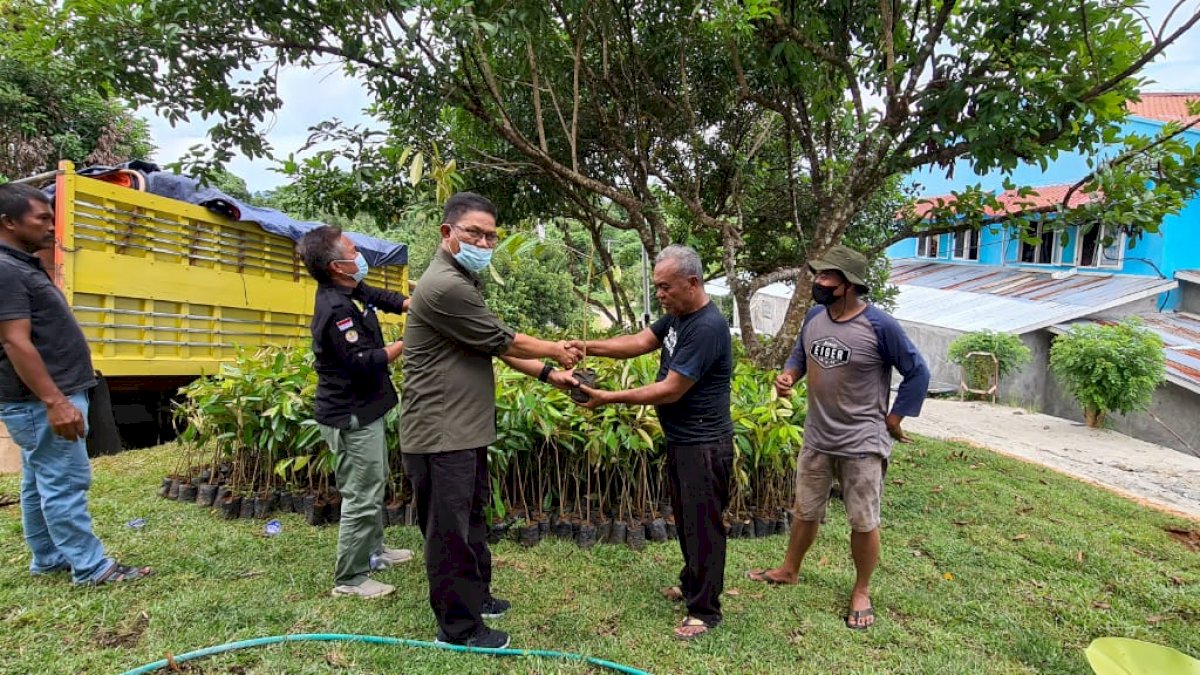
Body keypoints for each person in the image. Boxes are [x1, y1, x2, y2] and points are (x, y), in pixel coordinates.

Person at [400, 191, 582, 650]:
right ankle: (458, 630)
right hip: (440, 433)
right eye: (474, 233)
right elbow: (505, 339)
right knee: (449, 534)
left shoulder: (463, 280)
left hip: (463, 430)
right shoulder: (445, 286)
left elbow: (491, 347)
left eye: (491, 236)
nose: (485, 243)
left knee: (472, 521)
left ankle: (476, 595)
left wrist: (550, 375)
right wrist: (555, 350)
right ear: (448, 234)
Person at [746, 244, 929, 630]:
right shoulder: (815, 316)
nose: (818, 282)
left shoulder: (880, 326)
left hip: (861, 442)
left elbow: (918, 372)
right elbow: (800, 353)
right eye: (818, 274)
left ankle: (861, 590)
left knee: (862, 520)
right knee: (805, 510)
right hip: (818, 436)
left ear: (848, 285)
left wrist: (896, 417)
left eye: (827, 277)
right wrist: (789, 375)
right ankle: (789, 569)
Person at [571, 244, 733, 641]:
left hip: (704, 444)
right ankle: (692, 584)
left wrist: (607, 398)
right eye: (657, 286)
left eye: (666, 287)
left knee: (704, 526)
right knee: (687, 520)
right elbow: (640, 342)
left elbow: (671, 389)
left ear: (692, 283)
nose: (659, 294)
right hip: (682, 440)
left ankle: (705, 610)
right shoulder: (678, 316)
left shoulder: (707, 327)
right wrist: (587, 347)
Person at [0, 183, 152, 585]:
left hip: (47, 396)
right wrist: (54, 401)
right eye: (42, 218)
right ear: (9, 222)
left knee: (39, 479)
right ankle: (91, 567)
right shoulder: (6, 270)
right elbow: (14, 340)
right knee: (63, 482)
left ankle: (48, 557)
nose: (52, 226)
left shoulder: (20, 265)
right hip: (42, 399)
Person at [299, 225, 415, 600]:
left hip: (367, 409)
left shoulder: (348, 288)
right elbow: (363, 363)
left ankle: (374, 552)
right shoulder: (335, 310)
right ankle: (350, 578)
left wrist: (408, 304)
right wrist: (407, 343)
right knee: (361, 494)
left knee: (374, 484)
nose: (359, 255)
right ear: (337, 266)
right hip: (350, 416)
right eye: (353, 251)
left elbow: (377, 295)